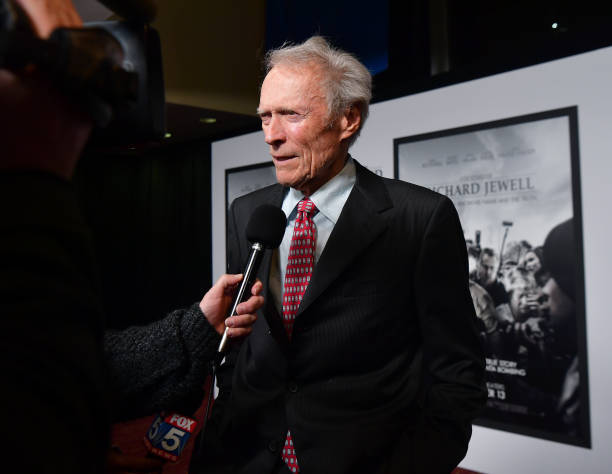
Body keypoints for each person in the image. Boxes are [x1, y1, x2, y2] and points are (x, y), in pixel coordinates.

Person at [198, 36, 486, 474]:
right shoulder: (248, 213)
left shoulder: (420, 218)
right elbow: (240, 343)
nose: (272, 137)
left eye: (291, 115)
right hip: (246, 456)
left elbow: (456, 367)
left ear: (348, 119)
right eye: (265, 118)